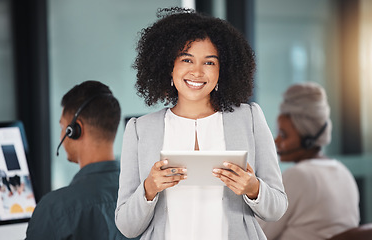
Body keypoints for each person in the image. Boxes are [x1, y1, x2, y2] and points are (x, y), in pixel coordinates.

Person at [115, 8, 288, 240]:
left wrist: (253, 188)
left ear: (221, 70)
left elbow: (277, 208)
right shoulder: (140, 130)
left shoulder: (250, 118)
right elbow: (126, 226)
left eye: (209, 62)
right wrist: (149, 188)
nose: (197, 72)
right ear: (170, 66)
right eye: (187, 59)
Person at [26, 81, 134, 240]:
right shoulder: (142, 195)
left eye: (63, 127)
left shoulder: (56, 208)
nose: (61, 133)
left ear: (76, 130)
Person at [258, 82, 360, 240]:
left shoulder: (298, 176)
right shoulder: (342, 171)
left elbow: (255, 233)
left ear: (308, 138)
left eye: (283, 135)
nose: (276, 141)